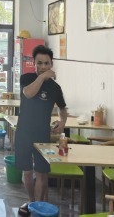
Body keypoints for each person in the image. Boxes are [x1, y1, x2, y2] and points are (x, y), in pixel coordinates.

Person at [15, 45, 67, 203]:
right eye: (39, 63)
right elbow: (28, 93)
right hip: (23, 133)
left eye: (46, 63)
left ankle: (37, 206)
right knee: (27, 172)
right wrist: (43, 77)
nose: (43, 66)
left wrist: (62, 121)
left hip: (43, 134)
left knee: (42, 173)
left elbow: (62, 108)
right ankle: (31, 201)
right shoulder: (26, 78)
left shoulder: (55, 88)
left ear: (51, 64)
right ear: (34, 63)